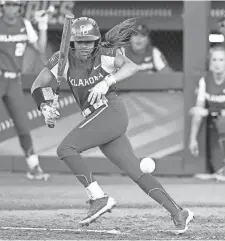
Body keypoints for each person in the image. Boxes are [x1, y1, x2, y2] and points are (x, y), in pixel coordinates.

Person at [31, 17, 194, 234]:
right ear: (72, 43)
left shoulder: (104, 54)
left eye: (89, 41)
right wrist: (45, 107)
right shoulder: (62, 59)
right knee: (137, 172)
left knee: (66, 148)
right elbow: (38, 85)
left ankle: (98, 197)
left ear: (96, 41)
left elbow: (132, 67)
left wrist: (107, 81)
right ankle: (178, 212)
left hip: (111, 111)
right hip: (98, 118)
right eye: (80, 42)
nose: (85, 46)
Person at [0, 0, 49, 180]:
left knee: (22, 124)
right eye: (10, 5)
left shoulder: (24, 24)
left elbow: (41, 48)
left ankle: (33, 166)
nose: (14, 8)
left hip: (14, 80)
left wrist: (43, 26)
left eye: (17, 5)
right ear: (3, 6)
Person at [189, 44, 225, 182]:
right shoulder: (205, 81)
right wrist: (192, 139)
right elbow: (199, 111)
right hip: (216, 128)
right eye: (214, 60)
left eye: (221, 60)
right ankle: (219, 170)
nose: (217, 64)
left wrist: (208, 111)